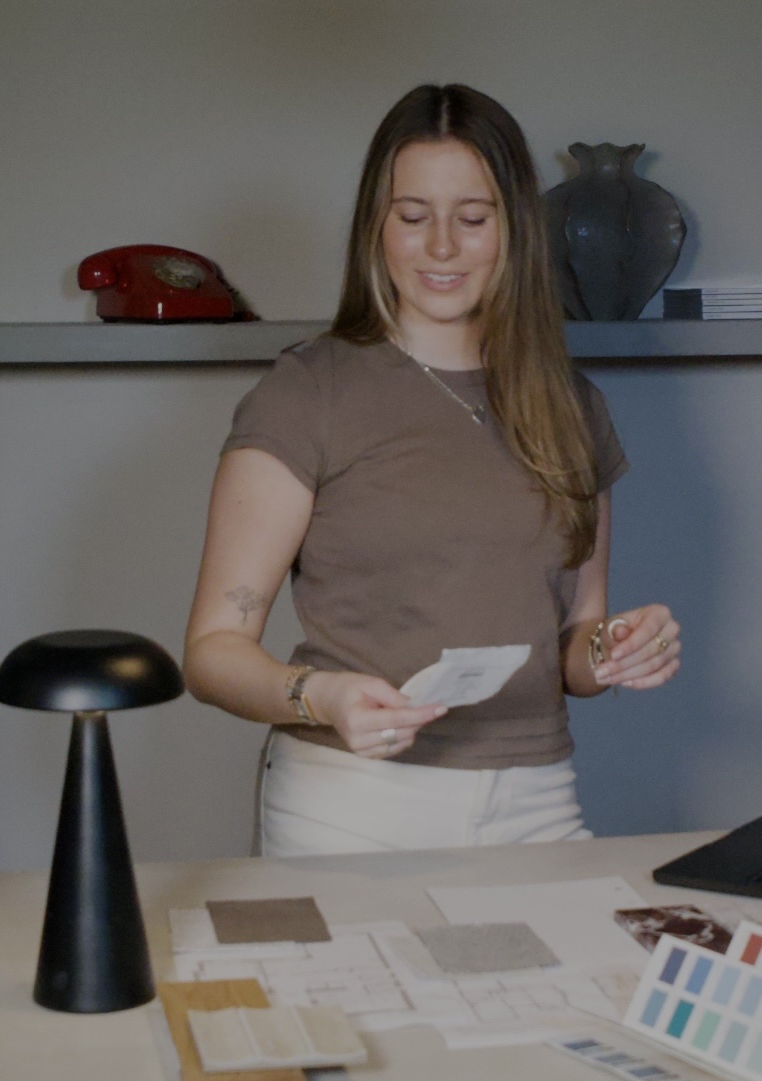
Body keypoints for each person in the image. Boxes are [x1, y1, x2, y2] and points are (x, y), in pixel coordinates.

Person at [183, 83, 680, 855]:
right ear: (376, 229)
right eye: (413, 217)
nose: (442, 246)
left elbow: (574, 648)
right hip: (349, 805)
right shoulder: (307, 391)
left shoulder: (571, 404)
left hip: (536, 799)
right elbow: (213, 651)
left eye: (473, 219)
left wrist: (617, 647)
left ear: (514, 230)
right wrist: (321, 698)